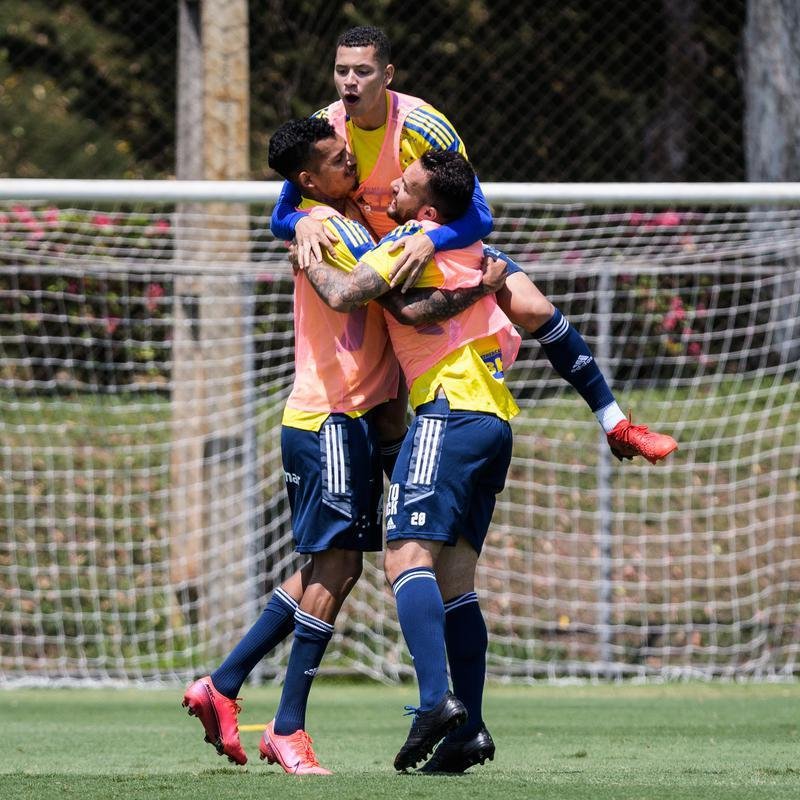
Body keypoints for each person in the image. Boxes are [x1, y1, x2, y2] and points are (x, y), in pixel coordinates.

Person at [182, 117, 506, 775]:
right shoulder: (323, 225)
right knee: (336, 568)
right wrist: (473, 285)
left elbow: (471, 213)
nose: (351, 166)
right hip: (329, 415)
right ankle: (287, 726)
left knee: (334, 568)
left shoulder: (344, 207)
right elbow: (388, 300)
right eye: (335, 160)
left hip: (361, 418)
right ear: (309, 179)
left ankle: (222, 685)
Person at [270, 25, 678, 468]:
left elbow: (479, 214)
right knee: (389, 414)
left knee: (534, 307)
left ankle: (615, 424)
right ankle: (402, 510)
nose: (350, 81)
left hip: (436, 245)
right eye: (341, 70)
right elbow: (281, 211)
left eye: (362, 71)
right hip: (375, 257)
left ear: (386, 75)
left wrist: (430, 240)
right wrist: (298, 225)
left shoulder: (422, 124)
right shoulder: (325, 128)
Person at [299, 149, 526, 771]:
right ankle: (469, 731)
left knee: (403, 554)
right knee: (456, 582)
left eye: (405, 182)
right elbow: (519, 312)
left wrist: (303, 242)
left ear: (425, 208)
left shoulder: (407, 239)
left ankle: (434, 703)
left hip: (446, 413)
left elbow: (347, 295)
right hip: (494, 417)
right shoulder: (469, 248)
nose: (389, 182)